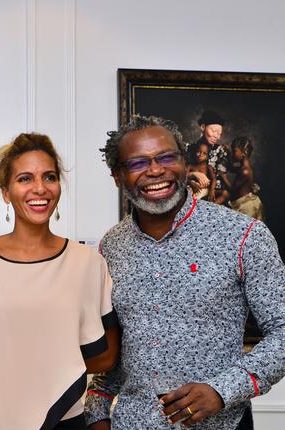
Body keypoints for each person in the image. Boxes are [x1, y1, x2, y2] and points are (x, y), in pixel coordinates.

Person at [85, 115, 285, 429]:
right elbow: (117, 350)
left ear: (183, 162)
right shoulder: (111, 246)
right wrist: (96, 412)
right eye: (138, 163)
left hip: (223, 424)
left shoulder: (244, 234)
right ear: (117, 176)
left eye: (166, 157)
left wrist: (223, 391)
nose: (155, 170)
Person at [0, 132, 120, 430]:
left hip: (60, 417)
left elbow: (107, 355)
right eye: (25, 179)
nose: (40, 188)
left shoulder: (86, 262)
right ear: (6, 192)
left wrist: (36, 368)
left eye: (49, 177)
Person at [193, 110, 231, 204]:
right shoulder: (190, 148)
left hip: (214, 196)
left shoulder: (221, 151)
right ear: (202, 127)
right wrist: (192, 177)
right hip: (195, 192)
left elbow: (221, 178)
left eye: (219, 133)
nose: (217, 136)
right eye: (214, 131)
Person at [228, 136, 264, 221]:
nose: (232, 153)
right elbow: (232, 168)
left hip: (244, 205)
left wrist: (222, 176)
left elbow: (232, 190)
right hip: (244, 201)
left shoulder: (245, 171)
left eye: (234, 151)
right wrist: (228, 154)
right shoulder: (243, 166)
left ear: (243, 153)